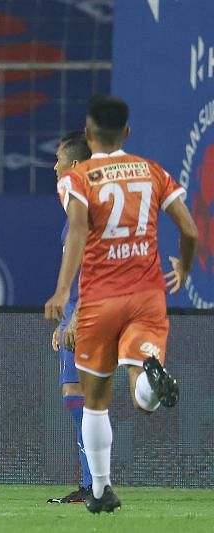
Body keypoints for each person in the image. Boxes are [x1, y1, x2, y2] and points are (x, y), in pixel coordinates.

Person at [45, 95, 198, 513]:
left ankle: (100, 490)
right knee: (140, 396)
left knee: (94, 400)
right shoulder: (152, 171)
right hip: (147, 295)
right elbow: (189, 229)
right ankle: (153, 376)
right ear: (127, 133)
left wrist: (62, 294)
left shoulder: (78, 180)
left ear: (90, 135)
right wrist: (183, 268)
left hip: (98, 300)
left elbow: (77, 231)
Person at [46, 132, 93, 504]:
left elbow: (93, 271)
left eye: (59, 160)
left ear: (75, 166)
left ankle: (96, 484)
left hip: (89, 312)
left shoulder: (86, 212)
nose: (54, 166)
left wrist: (76, 318)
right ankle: (93, 483)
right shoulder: (75, 211)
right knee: (75, 395)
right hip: (78, 311)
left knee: (84, 395)